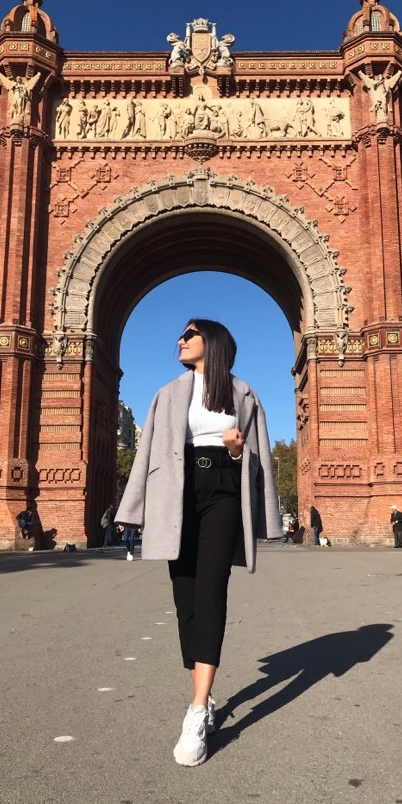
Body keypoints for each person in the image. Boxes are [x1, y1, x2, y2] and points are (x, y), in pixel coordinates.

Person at [115, 319, 281, 767]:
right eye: (181, 335)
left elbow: (260, 454)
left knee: (211, 590)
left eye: (188, 334)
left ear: (213, 341)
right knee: (184, 597)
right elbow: (149, 451)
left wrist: (234, 450)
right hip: (177, 492)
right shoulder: (168, 393)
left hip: (224, 488)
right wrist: (134, 510)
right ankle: (203, 698)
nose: (180, 340)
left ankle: (194, 712)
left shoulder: (243, 393)